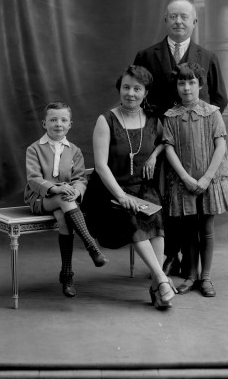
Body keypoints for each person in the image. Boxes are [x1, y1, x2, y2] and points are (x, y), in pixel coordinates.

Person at [134, 0, 228, 277]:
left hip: (197, 146)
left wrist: (197, 126)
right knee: (166, 198)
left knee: (194, 207)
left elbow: (219, 100)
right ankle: (170, 255)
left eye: (184, 17)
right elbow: (139, 97)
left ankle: (192, 268)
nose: (178, 21)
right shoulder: (147, 56)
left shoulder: (208, 58)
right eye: (173, 16)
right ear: (165, 20)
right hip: (158, 142)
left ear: (194, 22)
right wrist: (162, 131)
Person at [82, 65, 177, 310]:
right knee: (133, 217)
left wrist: (155, 154)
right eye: (126, 87)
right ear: (119, 89)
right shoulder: (106, 121)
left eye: (137, 89)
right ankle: (163, 280)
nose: (130, 93)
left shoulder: (153, 120)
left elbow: (166, 142)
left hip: (140, 187)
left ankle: (158, 285)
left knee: (155, 215)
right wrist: (121, 195)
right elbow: (101, 166)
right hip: (107, 191)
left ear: (146, 93)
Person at [162, 62, 228, 297]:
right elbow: (168, 148)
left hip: (209, 181)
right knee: (188, 229)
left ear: (200, 85)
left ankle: (205, 277)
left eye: (192, 82)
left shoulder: (212, 113)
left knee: (206, 228)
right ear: (176, 86)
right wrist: (185, 177)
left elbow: (220, 146)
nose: (187, 88)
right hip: (184, 182)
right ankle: (191, 275)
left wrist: (206, 178)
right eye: (182, 83)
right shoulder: (171, 116)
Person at [24, 101, 109, 298]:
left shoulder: (74, 150)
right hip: (40, 199)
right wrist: (55, 188)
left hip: (66, 201)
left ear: (70, 124)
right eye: (53, 119)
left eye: (63, 120)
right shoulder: (34, 149)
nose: (58, 124)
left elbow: (80, 178)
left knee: (63, 219)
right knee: (63, 198)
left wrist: (77, 192)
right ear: (44, 123)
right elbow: (34, 179)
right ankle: (91, 245)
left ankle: (67, 274)